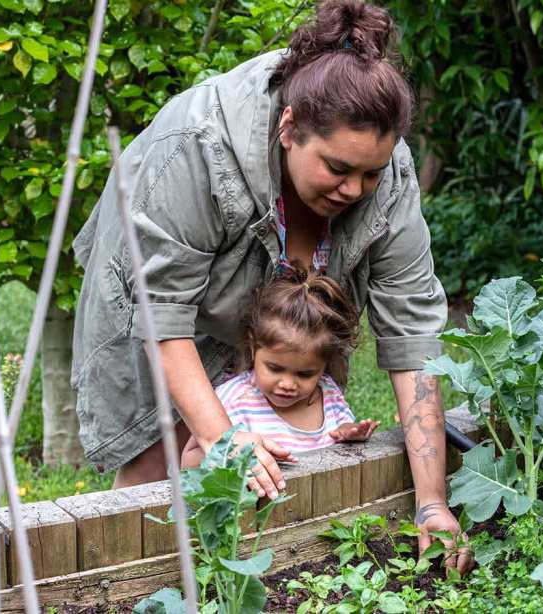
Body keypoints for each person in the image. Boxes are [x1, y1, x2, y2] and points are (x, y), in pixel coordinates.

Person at [71, 0, 471, 571]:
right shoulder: (196, 145)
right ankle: (130, 587)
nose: (355, 189)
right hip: (158, 289)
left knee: (290, 435)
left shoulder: (388, 169)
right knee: (160, 456)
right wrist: (222, 437)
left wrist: (432, 502)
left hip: (284, 302)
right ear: (289, 130)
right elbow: (163, 319)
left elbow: (413, 339)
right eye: (336, 168)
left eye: (370, 173)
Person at [180, 266, 380, 469]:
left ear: (324, 365)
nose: (287, 384)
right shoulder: (234, 398)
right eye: (275, 368)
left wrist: (349, 433)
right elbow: (189, 462)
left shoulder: (327, 393)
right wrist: (233, 456)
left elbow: (340, 429)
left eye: (305, 374)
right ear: (254, 346)